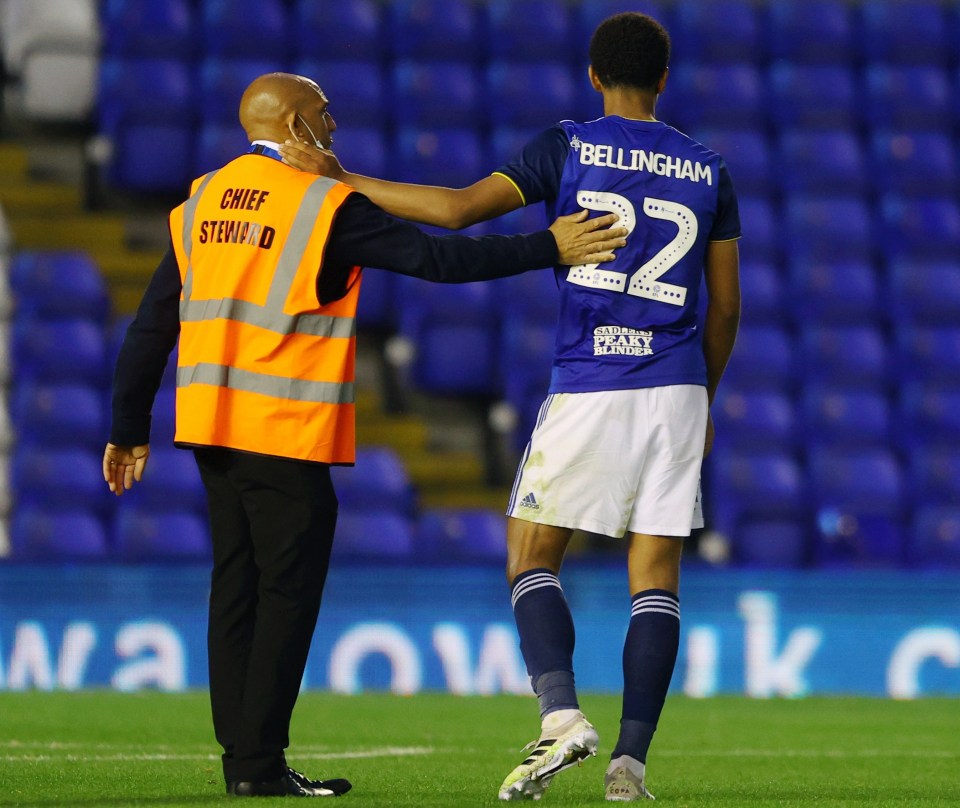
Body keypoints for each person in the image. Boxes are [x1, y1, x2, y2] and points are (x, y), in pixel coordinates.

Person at [102, 72, 627, 800]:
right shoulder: (318, 202)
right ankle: (258, 767)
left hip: (212, 431)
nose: (335, 123)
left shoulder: (201, 200)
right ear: (292, 122)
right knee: (285, 598)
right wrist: (548, 247)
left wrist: (129, 426)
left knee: (235, 592)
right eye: (322, 113)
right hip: (285, 431)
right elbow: (440, 261)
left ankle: (246, 764)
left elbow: (152, 325)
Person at [279, 11, 741, 803]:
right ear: (664, 79)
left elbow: (458, 211)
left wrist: (341, 181)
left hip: (593, 379)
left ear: (594, 76)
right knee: (655, 578)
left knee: (530, 556)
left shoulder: (567, 144)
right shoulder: (709, 168)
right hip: (678, 385)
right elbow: (727, 307)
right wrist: (703, 391)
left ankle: (562, 717)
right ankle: (630, 768)